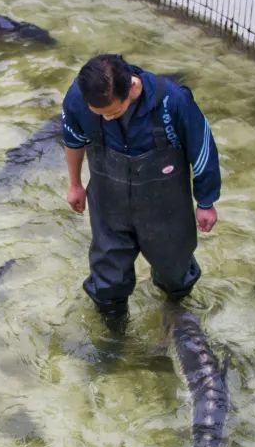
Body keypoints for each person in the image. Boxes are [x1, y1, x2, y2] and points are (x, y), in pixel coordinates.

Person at [61, 54, 221, 330]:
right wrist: (75, 184)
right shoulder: (78, 98)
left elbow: (203, 150)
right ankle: (116, 338)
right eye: (101, 115)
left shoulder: (174, 102)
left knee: (175, 274)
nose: (107, 119)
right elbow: (73, 139)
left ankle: (176, 320)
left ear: (133, 89)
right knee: (108, 281)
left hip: (165, 205)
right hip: (109, 202)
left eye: (113, 113)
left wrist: (206, 201)